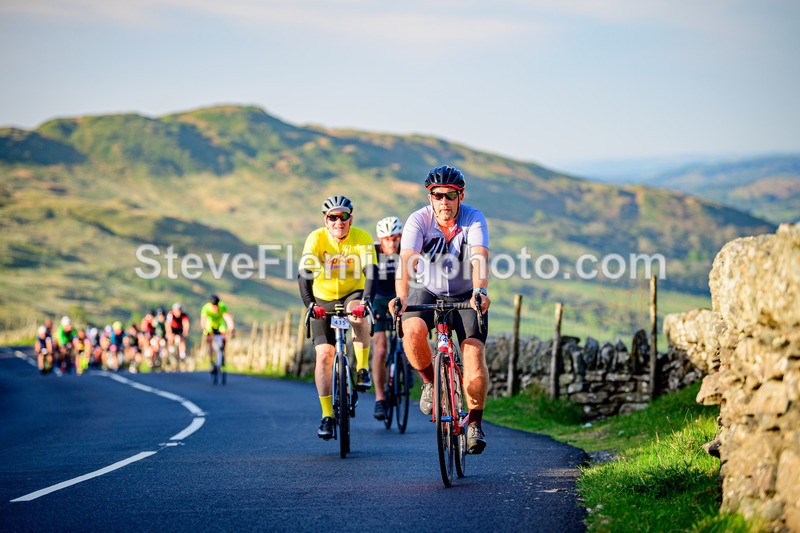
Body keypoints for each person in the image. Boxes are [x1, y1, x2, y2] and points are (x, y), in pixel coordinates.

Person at [390, 165, 491, 454]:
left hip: (465, 294)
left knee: (472, 352)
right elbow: (407, 261)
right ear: (430, 197)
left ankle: (474, 423)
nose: (443, 202)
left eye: (450, 196)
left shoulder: (474, 219)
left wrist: (480, 291)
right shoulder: (417, 221)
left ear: (460, 196)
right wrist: (400, 297)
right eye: (437, 196)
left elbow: (479, 258)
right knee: (411, 330)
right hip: (429, 290)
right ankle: (429, 383)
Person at [298, 195, 377, 440]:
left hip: (352, 293)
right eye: (333, 217)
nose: (338, 221)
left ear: (350, 219)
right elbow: (304, 274)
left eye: (343, 216)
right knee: (324, 356)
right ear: (326, 220)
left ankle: (362, 368)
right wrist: (310, 304)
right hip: (322, 299)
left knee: (357, 312)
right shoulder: (316, 238)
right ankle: (327, 415)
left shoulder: (361, 237)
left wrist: (366, 302)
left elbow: (371, 271)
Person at [371, 216, 403, 421]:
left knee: (409, 338)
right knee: (381, 349)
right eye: (386, 239)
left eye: (395, 238)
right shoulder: (372, 253)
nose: (391, 243)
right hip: (378, 302)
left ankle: (405, 366)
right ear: (379, 240)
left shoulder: (406, 251)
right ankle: (380, 399)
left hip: (399, 300)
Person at [200, 295, 235, 374]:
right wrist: (204, 329)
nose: (215, 308)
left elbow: (228, 318)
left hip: (220, 324)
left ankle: (222, 355)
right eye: (213, 306)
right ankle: (211, 360)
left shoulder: (222, 306)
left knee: (224, 338)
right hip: (210, 324)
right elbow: (203, 320)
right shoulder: (206, 308)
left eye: (216, 306)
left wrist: (231, 328)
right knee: (210, 340)